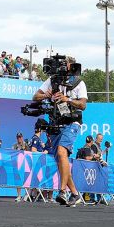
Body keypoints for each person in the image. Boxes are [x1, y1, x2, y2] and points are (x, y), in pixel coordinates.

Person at [32, 56, 88, 207]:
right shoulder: (52, 80)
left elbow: (83, 105)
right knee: (60, 161)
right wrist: (47, 95)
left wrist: (67, 99)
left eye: (66, 64)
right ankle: (75, 194)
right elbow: (35, 96)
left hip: (72, 122)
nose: (63, 67)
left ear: (71, 66)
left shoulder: (78, 82)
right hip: (56, 123)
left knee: (63, 153)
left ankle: (62, 191)